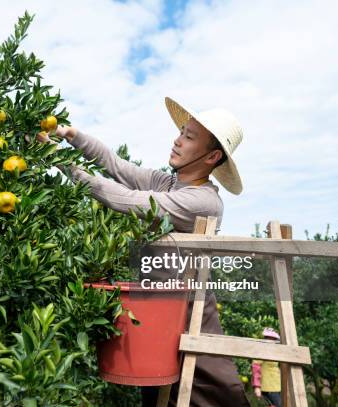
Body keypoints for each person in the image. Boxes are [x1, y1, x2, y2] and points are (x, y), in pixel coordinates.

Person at [36, 96, 249, 406]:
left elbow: (126, 199)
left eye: (189, 137)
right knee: (160, 396)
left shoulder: (203, 201)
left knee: (209, 395)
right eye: (181, 132)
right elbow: (117, 167)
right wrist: (73, 136)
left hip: (190, 320)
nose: (177, 141)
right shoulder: (167, 183)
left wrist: (61, 162)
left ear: (212, 156)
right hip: (160, 320)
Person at [252, 328, 282, 407]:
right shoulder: (262, 350)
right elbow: (256, 368)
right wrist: (257, 387)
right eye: (268, 338)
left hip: (276, 386)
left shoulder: (275, 351)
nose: (271, 340)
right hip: (268, 387)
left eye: (274, 339)